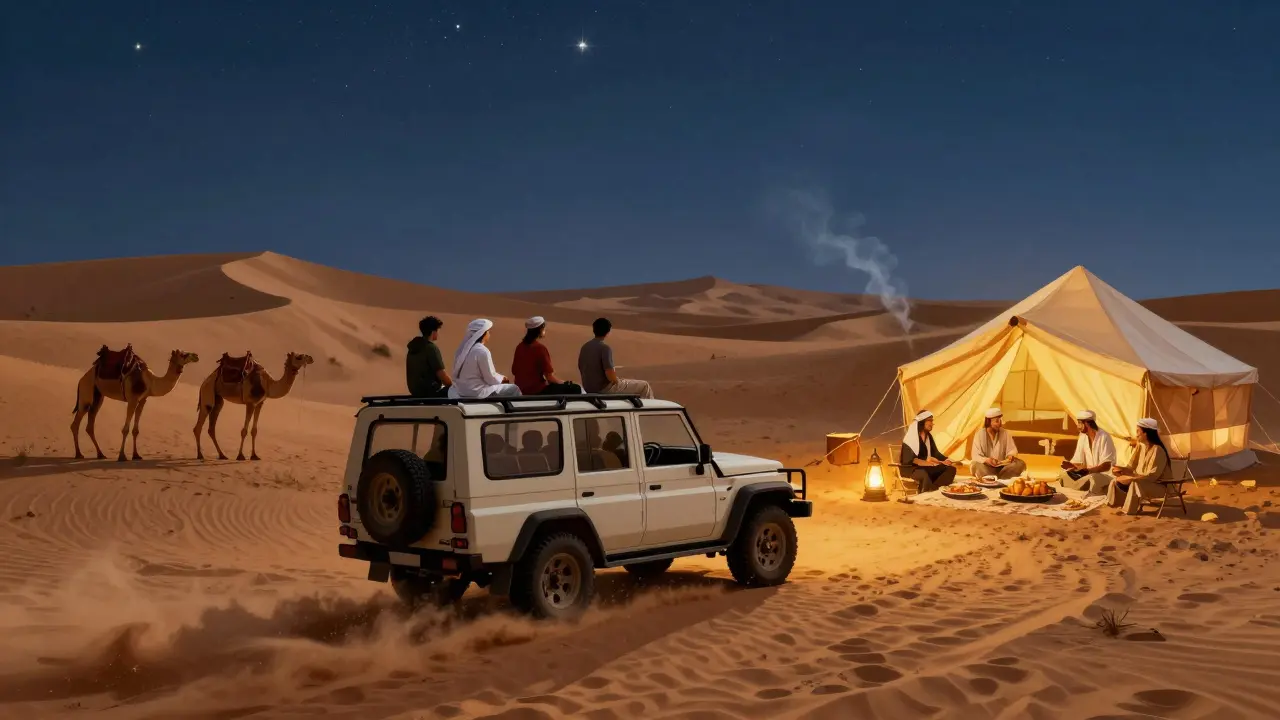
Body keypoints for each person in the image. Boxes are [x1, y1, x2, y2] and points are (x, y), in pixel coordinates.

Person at [1106, 418, 1171, 515]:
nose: (1136, 435)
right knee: (1115, 481)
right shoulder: (1140, 446)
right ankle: (1115, 504)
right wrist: (1121, 470)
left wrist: (1133, 478)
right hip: (1141, 481)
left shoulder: (1157, 450)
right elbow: (1130, 467)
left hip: (1159, 486)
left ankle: (1128, 510)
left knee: (1135, 484)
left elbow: (1153, 476)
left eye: (1138, 431)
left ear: (1146, 433)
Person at [577, 317, 654, 398]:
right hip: (605, 389)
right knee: (645, 386)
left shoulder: (585, 347)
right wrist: (617, 381)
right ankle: (650, 406)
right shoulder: (605, 348)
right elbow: (610, 375)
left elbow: (581, 367)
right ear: (608, 331)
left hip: (589, 389)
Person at [448, 318, 521, 399]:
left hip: (461, 391)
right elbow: (490, 378)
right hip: (477, 392)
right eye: (488, 331)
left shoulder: (462, 350)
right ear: (483, 333)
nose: (489, 334)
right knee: (514, 388)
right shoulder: (482, 351)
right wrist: (503, 379)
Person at [511, 316, 583, 395]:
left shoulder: (519, 347)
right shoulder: (540, 348)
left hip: (521, 389)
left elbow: (514, 371)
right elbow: (549, 378)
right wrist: (564, 383)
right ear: (540, 329)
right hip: (537, 390)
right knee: (576, 388)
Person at [1058, 409, 1117, 495]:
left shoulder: (1104, 437)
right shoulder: (1082, 437)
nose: (1078, 426)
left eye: (1079, 423)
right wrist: (1071, 465)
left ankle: (1086, 489)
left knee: (1093, 478)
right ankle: (1082, 487)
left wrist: (1088, 470)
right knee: (1064, 475)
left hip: (1103, 475)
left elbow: (1106, 466)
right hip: (1087, 474)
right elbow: (1078, 461)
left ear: (1086, 423)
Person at [900, 410, 956, 493]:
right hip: (911, 469)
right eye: (930, 420)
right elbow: (909, 460)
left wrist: (946, 460)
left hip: (926, 467)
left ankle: (934, 489)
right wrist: (928, 464)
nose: (932, 423)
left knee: (951, 469)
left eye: (932, 421)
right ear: (922, 421)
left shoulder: (928, 437)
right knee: (924, 473)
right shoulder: (911, 437)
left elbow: (935, 453)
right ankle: (927, 492)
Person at [969, 407, 1026, 479]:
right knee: (976, 464)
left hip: (1002, 468)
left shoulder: (1005, 433)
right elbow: (975, 455)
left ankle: (999, 478)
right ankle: (992, 478)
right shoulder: (979, 434)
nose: (1000, 424)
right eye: (997, 421)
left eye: (1000, 421)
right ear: (989, 422)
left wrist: (1010, 456)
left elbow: (1012, 449)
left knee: (1020, 464)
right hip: (986, 467)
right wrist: (987, 460)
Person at [405, 315, 451, 398]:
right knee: (455, 392)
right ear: (433, 332)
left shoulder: (413, 347)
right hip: (430, 392)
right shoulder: (430, 348)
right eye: (437, 330)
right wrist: (453, 386)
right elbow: (442, 375)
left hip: (415, 392)